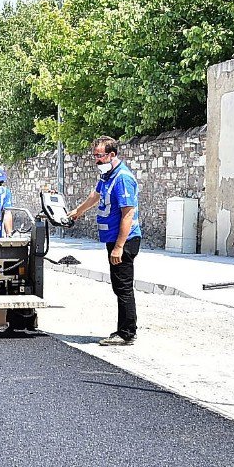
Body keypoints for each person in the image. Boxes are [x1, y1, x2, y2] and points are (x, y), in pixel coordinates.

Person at [68, 136, 141, 346]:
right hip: (114, 239)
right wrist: (77, 212)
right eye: (95, 156)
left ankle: (127, 332)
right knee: (118, 286)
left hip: (125, 241)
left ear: (112, 154)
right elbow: (95, 195)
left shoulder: (122, 178)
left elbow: (128, 214)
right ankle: (124, 330)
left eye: (100, 156)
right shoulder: (107, 175)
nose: (97, 160)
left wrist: (118, 247)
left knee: (123, 287)